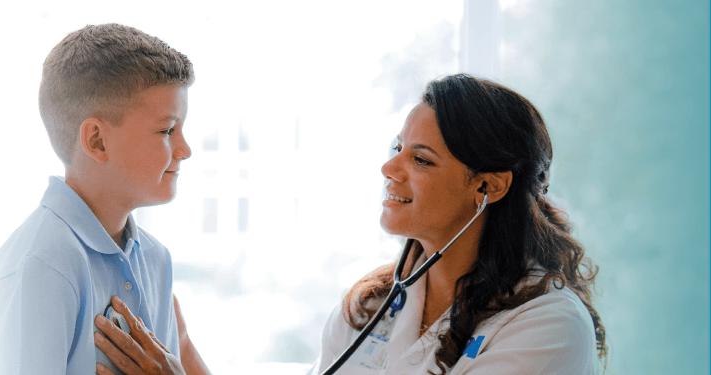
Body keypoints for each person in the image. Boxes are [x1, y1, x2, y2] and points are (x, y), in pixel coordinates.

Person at [93, 74, 606, 374]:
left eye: (422, 160)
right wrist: (184, 354)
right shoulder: (369, 306)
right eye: (396, 149)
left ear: (488, 187)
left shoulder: (548, 327)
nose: (390, 168)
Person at [0, 23, 207, 375]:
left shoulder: (156, 260)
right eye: (166, 130)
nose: (185, 149)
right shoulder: (41, 266)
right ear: (97, 141)